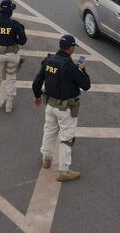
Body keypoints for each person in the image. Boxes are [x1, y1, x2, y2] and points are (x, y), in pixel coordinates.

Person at [32, 34, 91, 182]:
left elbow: (37, 82)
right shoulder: (70, 66)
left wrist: (37, 96)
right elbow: (86, 85)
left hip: (50, 105)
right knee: (66, 139)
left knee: (49, 131)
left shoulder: (48, 61)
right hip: (66, 109)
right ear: (71, 48)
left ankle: (46, 158)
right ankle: (63, 170)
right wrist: (82, 69)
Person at [0, 0, 27, 114]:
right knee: (11, 79)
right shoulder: (16, 25)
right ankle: (9, 104)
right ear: (11, 12)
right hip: (12, 55)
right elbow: (23, 41)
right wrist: (16, 39)